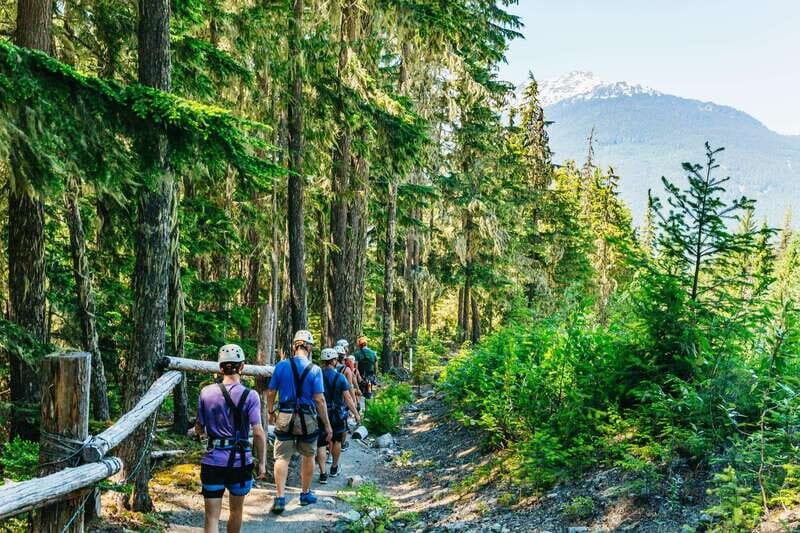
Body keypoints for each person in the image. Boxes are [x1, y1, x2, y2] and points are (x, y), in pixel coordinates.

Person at [195, 344, 267, 533]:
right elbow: (258, 432)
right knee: (236, 511)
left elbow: (199, 428)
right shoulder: (251, 396)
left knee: (211, 517)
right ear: (242, 367)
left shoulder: (206, 392)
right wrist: (262, 463)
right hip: (240, 463)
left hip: (213, 462)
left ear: (220, 368)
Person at [266, 330, 333, 514]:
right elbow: (319, 399)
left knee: (282, 457)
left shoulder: (281, 366)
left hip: (285, 415)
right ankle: (304, 494)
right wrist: (327, 425)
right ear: (308, 347)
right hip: (308, 418)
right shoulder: (315, 370)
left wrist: (270, 411)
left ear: (294, 345)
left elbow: (271, 392)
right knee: (308, 455)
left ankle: (280, 498)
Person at [316, 348, 361, 483]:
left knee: (321, 443)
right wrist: (356, 414)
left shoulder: (317, 375)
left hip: (321, 413)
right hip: (337, 414)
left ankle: (323, 473)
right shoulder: (340, 378)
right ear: (334, 361)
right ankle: (334, 467)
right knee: (337, 441)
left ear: (323, 361)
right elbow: (347, 398)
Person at [334, 344, 359, 450]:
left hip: (329, 399)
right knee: (342, 424)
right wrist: (354, 401)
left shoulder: (324, 369)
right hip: (342, 400)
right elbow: (349, 388)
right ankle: (342, 444)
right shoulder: (346, 370)